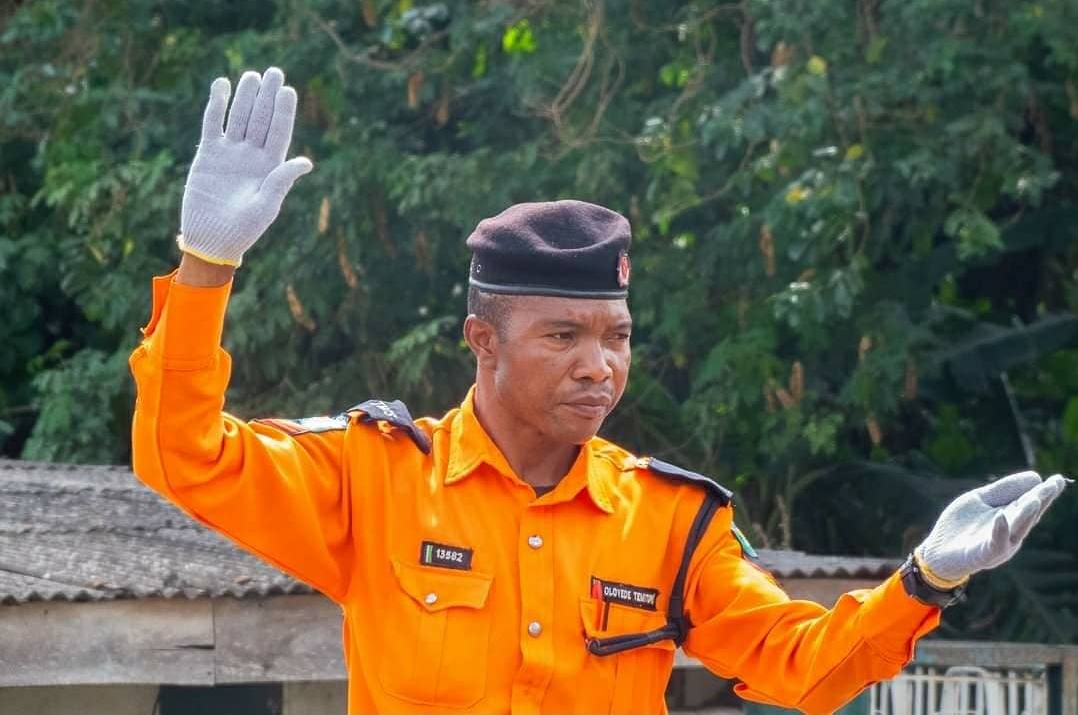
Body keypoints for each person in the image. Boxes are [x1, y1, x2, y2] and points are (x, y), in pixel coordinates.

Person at [130, 67, 1067, 715]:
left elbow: (802, 669)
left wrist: (926, 579)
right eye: (565, 335)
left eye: (617, 336)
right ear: (480, 341)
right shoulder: (372, 480)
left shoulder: (669, 521)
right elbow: (185, 455)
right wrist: (207, 266)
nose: (600, 365)